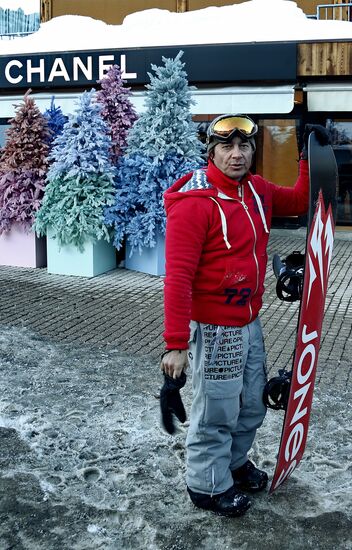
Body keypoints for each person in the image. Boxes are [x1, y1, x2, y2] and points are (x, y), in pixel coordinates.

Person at [160, 114, 329, 518]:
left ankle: (232, 465)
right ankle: (207, 484)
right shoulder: (195, 204)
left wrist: (309, 154)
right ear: (212, 152)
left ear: (253, 150)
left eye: (244, 147)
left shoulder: (256, 190)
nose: (236, 155)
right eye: (226, 147)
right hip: (215, 327)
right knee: (215, 411)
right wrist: (176, 345)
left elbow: (300, 198)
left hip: (248, 321)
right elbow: (178, 278)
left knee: (251, 405)